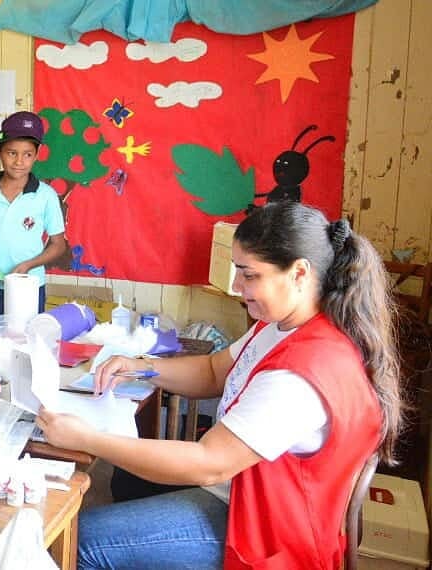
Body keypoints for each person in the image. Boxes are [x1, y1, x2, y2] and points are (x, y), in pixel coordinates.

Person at [36, 201, 403, 569]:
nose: (237, 285)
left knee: (76, 540)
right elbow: (214, 371)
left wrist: (85, 438)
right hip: (247, 490)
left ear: (299, 273)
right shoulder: (280, 325)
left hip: (263, 528)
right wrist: (140, 366)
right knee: (127, 479)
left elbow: (208, 463)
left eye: (249, 274)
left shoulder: (301, 375)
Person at [0, 111, 66, 323]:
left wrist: (30, 264)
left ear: (37, 155)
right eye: (12, 153)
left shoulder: (45, 195)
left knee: (23, 345)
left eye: (27, 154)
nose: (19, 161)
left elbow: (58, 245)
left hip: (29, 287)